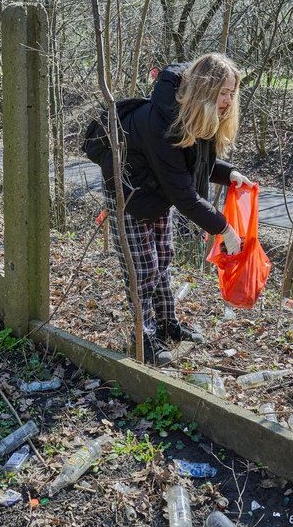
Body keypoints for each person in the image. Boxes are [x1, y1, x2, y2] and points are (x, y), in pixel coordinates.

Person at [103, 53, 253, 365]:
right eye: (224, 93)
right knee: (143, 269)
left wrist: (229, 174)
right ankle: (143, 337)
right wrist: (225, 230)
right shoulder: (162, 122)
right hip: (129, 197)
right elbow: (184, 195)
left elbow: (192, 162)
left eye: (231, 93)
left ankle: (167, 323)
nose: (228, 101)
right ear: (205, 90)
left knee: (163, 259)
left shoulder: (191, 113)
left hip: (157, 193)